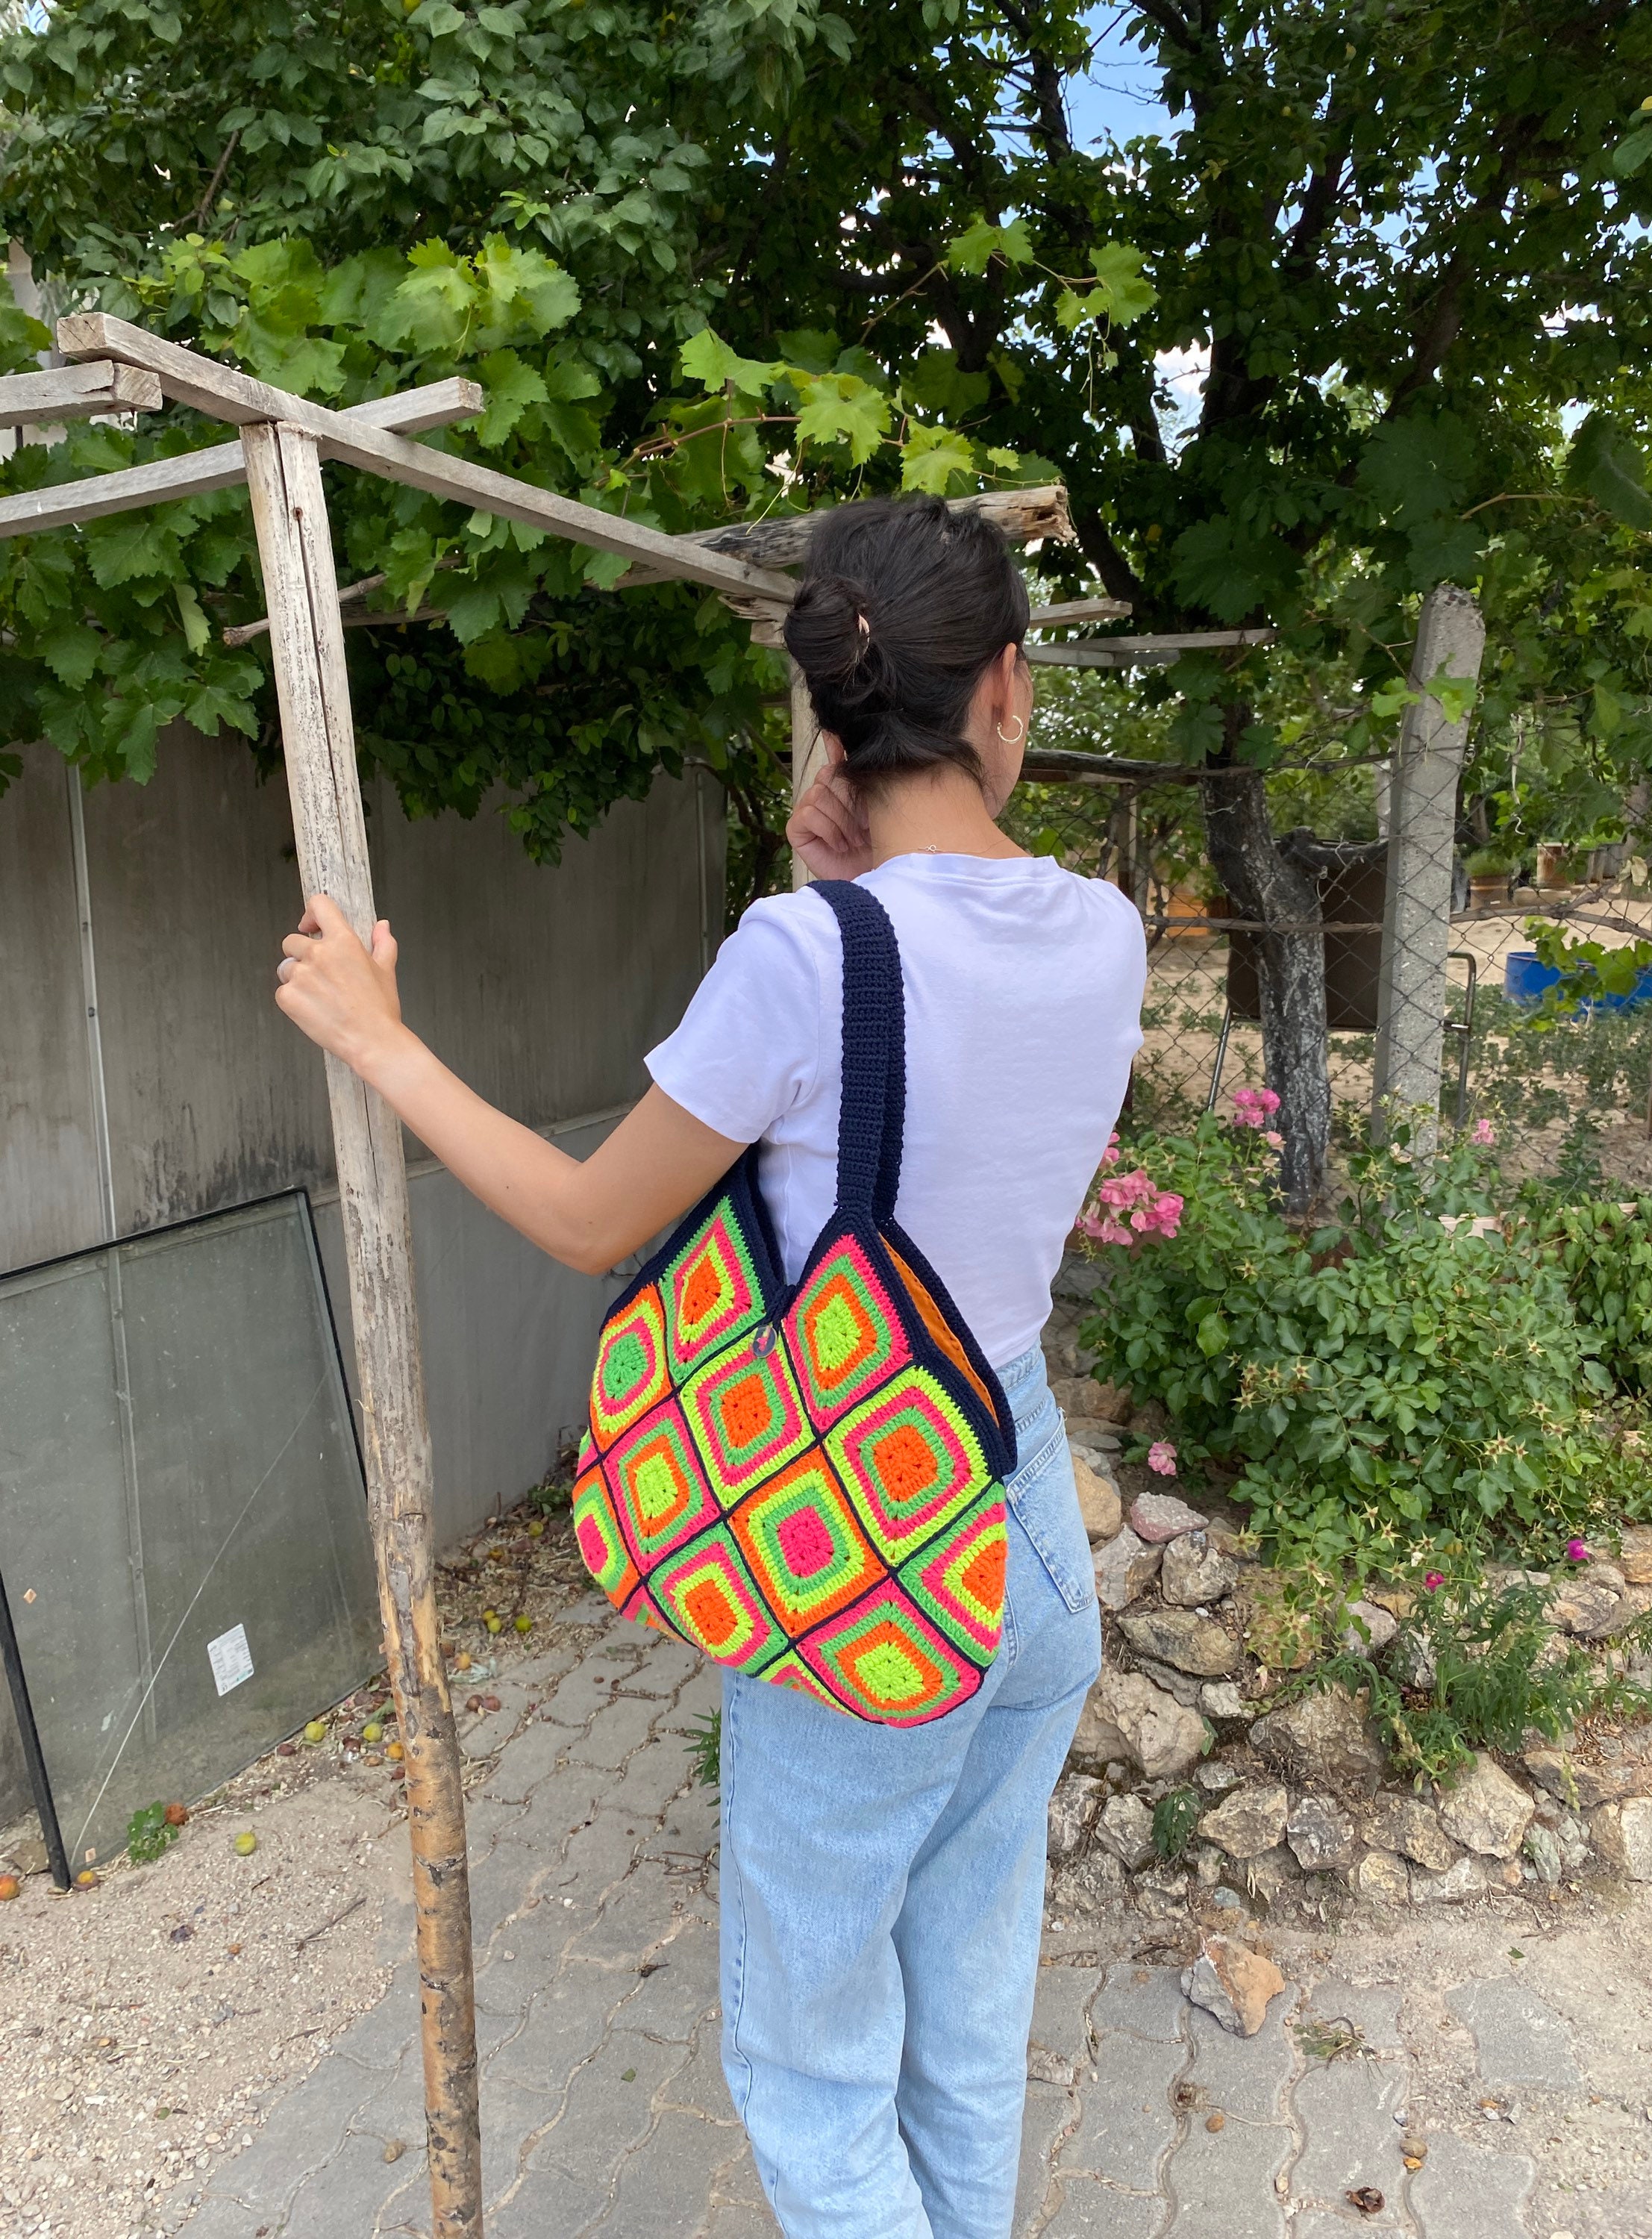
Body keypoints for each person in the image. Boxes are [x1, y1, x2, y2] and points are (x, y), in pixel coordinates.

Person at [273, 493, 1147, 2238]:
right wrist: (845, 884)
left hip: (870, 1556)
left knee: (814, 2070)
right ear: (1008, 697)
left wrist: (383, 1043)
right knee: (965, 2017)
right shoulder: (1110, 928)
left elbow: (597, 1219)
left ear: (836, 706)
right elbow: (933, 1072)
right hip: (1025, 1515)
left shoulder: (802, 956)